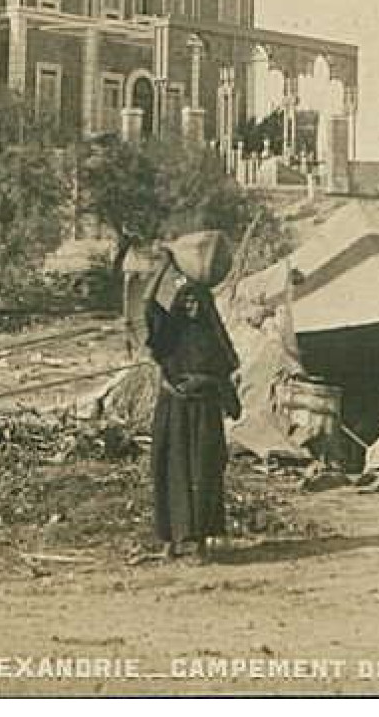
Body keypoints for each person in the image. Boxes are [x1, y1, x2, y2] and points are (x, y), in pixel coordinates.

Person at [143, 232, 242, 562]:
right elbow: (146, 303)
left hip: (202, 415)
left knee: (201, 474)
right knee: (168, 471)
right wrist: (164, 267)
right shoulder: (171, 334)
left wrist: (204, 382)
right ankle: (171, 540)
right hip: (173, 412)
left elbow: (225, 372)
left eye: (198, 300)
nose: (192, 306)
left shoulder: (212, 340)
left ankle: (196, 543)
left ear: (208, 304)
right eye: (186, 300)